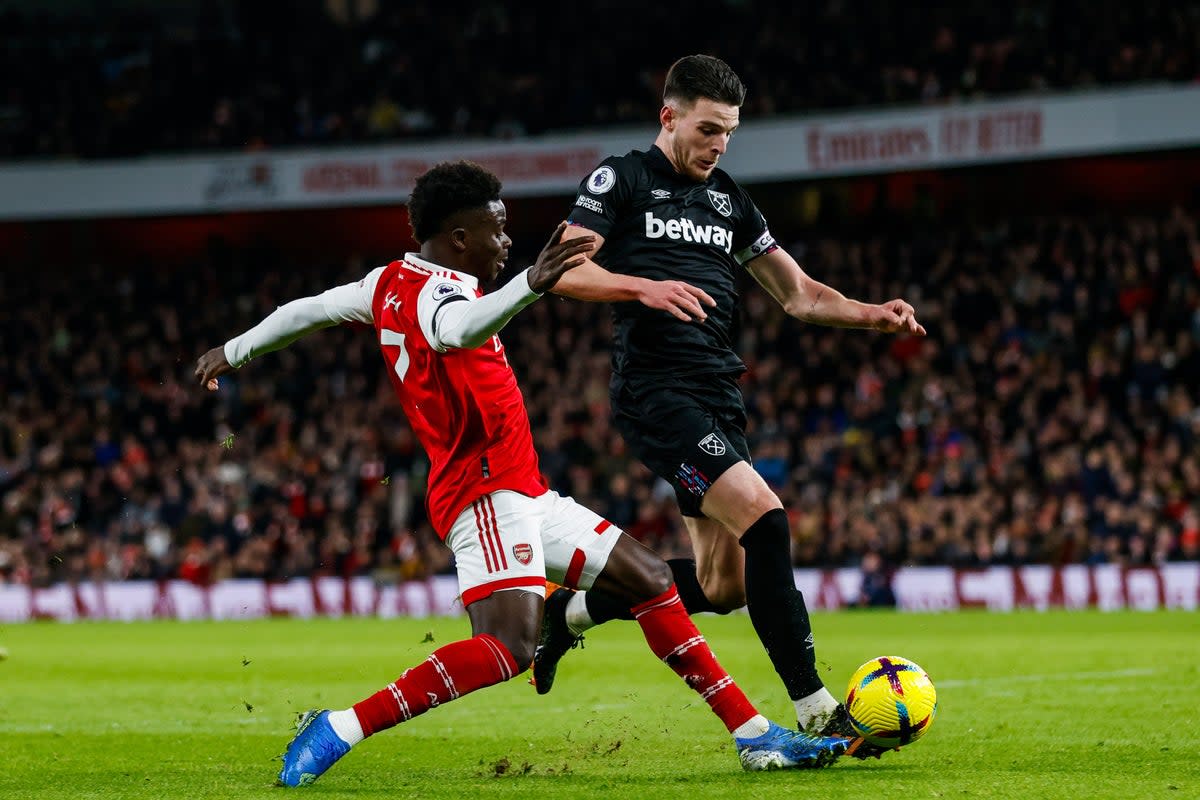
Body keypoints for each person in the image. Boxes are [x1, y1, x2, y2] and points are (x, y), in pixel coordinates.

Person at [194, 161, 853, 786]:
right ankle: (338, 727)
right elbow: (458, 330)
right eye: (496, 227)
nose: (507, 239)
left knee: (651, 580)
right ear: (458, 236)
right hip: (482, 491)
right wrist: (531, 283)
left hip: (522, 488)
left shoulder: (384, 282)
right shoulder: (436, 293)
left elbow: (306, 308)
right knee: (505, 650)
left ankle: (754, 736)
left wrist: (233, 349)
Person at [533, 55, 926, 756]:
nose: (718, 145)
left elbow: (800, 294)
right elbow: (562, 268)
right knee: (767, 521)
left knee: (722, 587)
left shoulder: (729, 200)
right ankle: (815, 710)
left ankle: (574, 611)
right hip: (657, 391)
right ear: (670, 116)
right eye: (708, 129)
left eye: (730, 134)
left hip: (719, 394)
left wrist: (874, 315)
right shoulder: (620, 179)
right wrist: (640, 288)